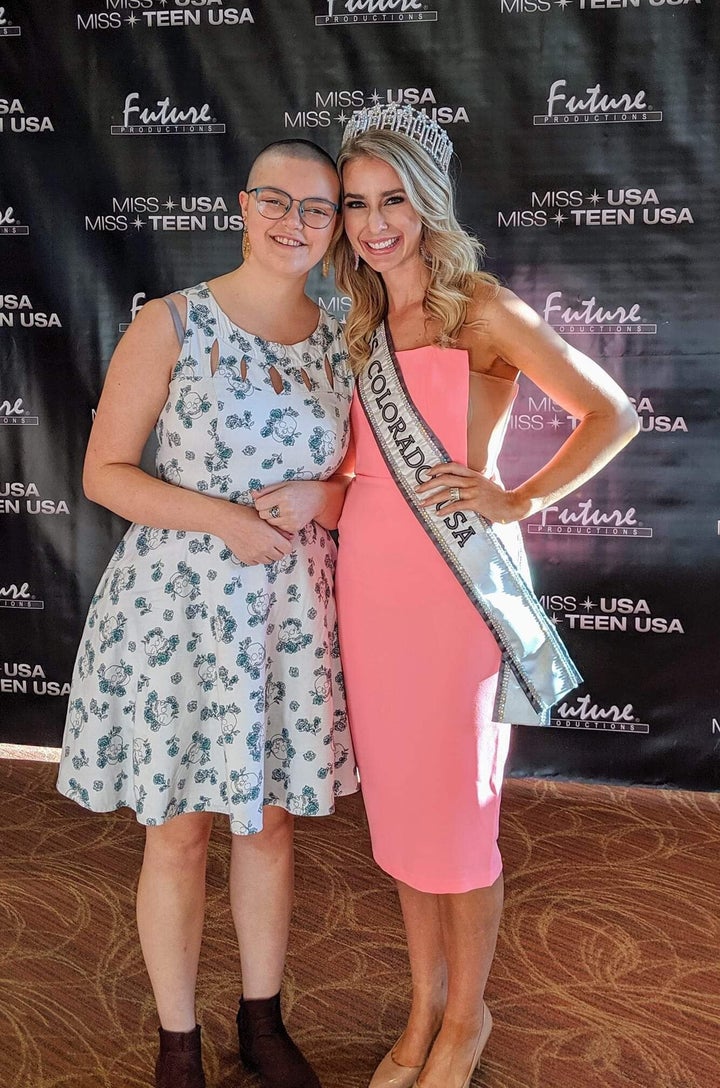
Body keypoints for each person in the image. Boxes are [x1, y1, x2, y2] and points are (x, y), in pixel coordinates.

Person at [332, 105, 639, 1088]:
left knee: (459, 820)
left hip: (457, 595)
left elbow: (613, 412)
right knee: (405, 820)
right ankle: (424, 1005)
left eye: (393, 201)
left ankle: (467, 1015)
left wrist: (519, 494)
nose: (376, 223)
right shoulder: (361, 320)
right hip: (369, 594)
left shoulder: (484, 309)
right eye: (355, 205)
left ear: (426, 203)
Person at [57, 139, 357, 1088]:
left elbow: (361, 489)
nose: (295, 224)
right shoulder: (173, 322)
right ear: (242, 204)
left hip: (287, 619)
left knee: (267, 824)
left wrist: (322, 495)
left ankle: (263, 1022)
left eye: (318, 210)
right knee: (179, 830)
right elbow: (105, 472)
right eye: (278, 201)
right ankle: (177, 1039)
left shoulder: (346, 333)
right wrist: (223, 520)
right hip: (176, 613)